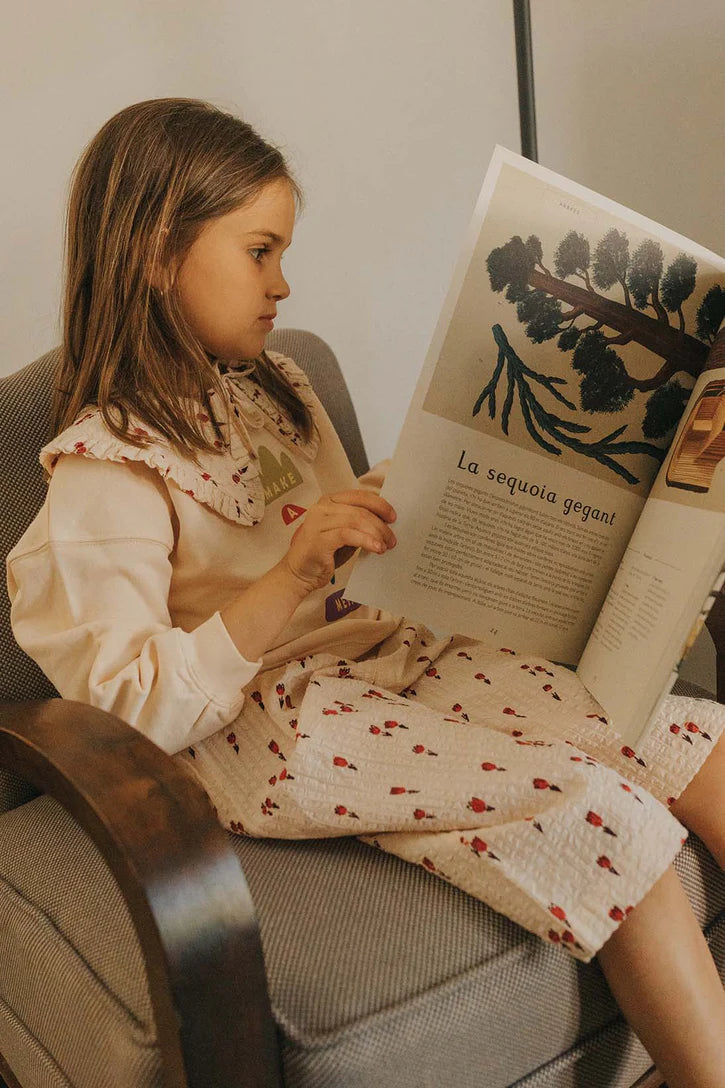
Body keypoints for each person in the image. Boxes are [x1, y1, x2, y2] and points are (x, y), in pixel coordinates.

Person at [5, 97, 725, 1087]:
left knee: (681, 735)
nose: (281, 283)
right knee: (604, 817)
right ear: (157, 253)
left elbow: (345, 555)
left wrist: (421, 498)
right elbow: (129, 704)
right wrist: (290, 574)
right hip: (277, 719)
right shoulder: (109, 469)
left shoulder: (275, 388)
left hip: (398, 654)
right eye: (259, 251)